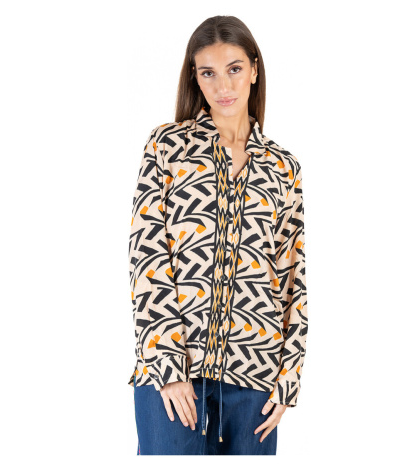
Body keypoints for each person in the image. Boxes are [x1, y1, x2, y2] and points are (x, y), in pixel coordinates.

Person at [128, 15, 308, 455]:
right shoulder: (167, 147)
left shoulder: (283, 167)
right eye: (207, 72)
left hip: (256, 376)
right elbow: (147, 258)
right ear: (195, 77)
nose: (223, 85)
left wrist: (288, 376)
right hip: (173, 374)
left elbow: (292, 277)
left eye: (234, 68)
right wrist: (168, 365)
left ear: (254, 70)